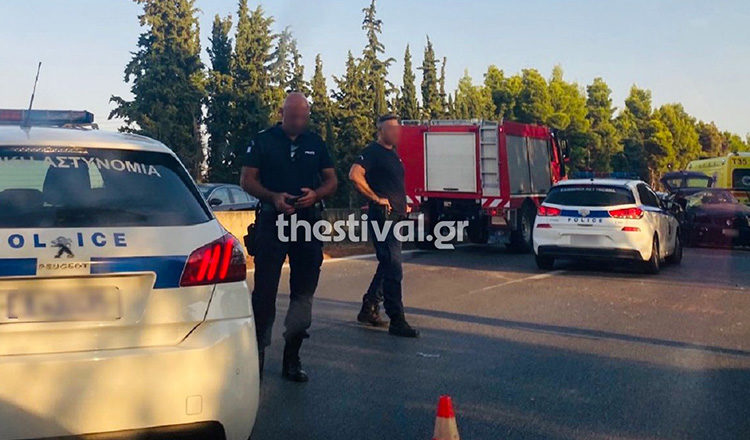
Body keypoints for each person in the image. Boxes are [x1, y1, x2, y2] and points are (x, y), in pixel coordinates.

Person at [240, 92, 338, 382]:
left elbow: (332, 180)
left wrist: (316, 194)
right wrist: (273, 197)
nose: (298, 121)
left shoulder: (315, 143)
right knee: (264, 293)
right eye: (293, 116)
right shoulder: (263, 140)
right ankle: (256, 357)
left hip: (307, 224)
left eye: (303, 117)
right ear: (281, 113)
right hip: (273, 221)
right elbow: (247, 179)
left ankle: (292, 357)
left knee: (303, 294)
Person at [348, 114, 420, 338]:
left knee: (388, 264)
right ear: (381, 131)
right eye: (392, 128)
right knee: (393, 267)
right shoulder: (372, 152)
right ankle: (397, 320)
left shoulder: (393, 154)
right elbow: (354, 175)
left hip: (395, 216)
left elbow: (392, 185)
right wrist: (376, 198)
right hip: (383, 217)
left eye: (398, 128)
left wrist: (403, 204)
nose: (397, 132)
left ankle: (369, 307)